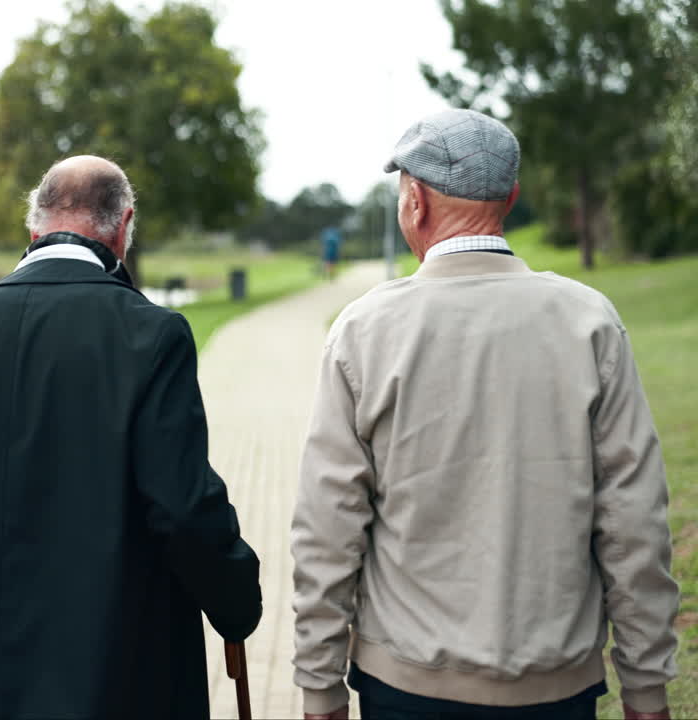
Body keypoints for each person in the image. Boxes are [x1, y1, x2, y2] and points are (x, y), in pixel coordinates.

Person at [291, 109, 679, 720]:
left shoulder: (363, 331)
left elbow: (327, 528)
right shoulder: (590, 322)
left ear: (414, 202)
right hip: (556, 686)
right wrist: (647, 686)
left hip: (405, 685)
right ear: (511, 198)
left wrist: (319, 686)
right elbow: (635, 522)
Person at [0, 155, 263, 718]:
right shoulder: (151, 335)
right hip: (110, 673)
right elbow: (181, 507)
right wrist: (234, 602)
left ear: (33, 227)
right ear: (123, 226)